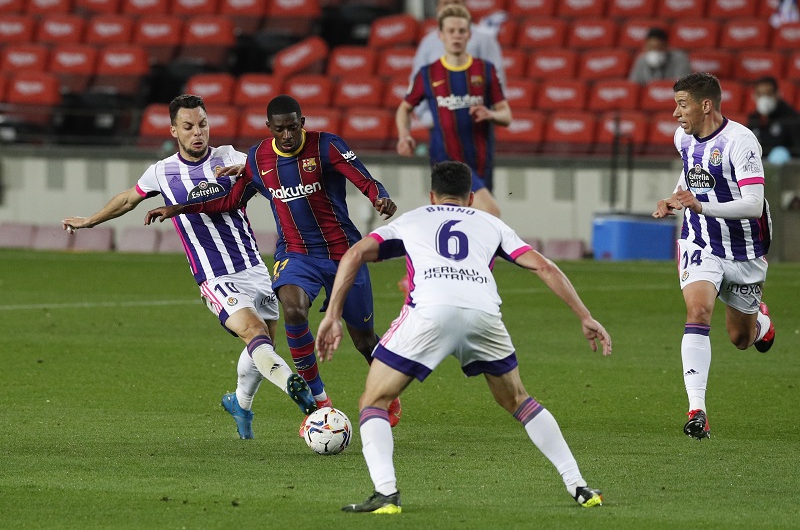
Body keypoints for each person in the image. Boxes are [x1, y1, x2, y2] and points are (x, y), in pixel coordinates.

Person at [316, 161, 612, 514]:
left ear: (431, 195)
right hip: (483, 314)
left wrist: (333, 315)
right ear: (471, 198)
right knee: (518, 400)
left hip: (430, 314)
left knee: (374, 402)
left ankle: (387, 493)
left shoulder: (413, 218)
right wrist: (585, 316)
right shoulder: (491, 223)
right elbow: (544, 266)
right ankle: (579, 485)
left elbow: (354, 254)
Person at [144, 94, 402, 434]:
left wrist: (378, 196)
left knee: (364, 339)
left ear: (302, 123)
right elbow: (230, 199)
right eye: (280, 130)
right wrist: (176, 208)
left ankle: (390, 395)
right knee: (293, 310)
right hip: (295, 254)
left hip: (344, 253)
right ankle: (319, 401)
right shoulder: (260, 157)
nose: (288, 136)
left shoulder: (327, 146)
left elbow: (364, 179)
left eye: (293, 128)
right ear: (270, 129)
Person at [62, 94, 316, 440]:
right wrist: (90, 220)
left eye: (202, 124)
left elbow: (269, 168)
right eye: (188, 127)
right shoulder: (162, 172)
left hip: (254, 267)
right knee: (255, 334)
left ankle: (240, 403)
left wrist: (253, 170)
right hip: (215, 276)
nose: (198, 132)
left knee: (263, 348)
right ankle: (299, 393)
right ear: (173, 131)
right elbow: (127, 199)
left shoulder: (230, 156)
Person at [652, 72, 776, 441]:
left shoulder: (741, 142)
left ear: (706, 105)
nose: (675, 113)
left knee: (741, 338)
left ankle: (762, 325)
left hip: (745, 250)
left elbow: (754, 205)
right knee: (698, 312)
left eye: (682, 104)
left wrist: (701, 205)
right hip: (700, 241)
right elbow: (690, 174)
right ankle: (696, 411)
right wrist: (675, 197)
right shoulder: (683, 137)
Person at [397, 3, 511, 219]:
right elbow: (404, 108)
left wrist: (491, 114)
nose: (456, 36)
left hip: (480, 160)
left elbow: (506, 115)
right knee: (490, 214)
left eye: (461, 31)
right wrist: (404, 135)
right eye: (451, 31)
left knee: (466, 221)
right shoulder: (428, 73)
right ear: (440, 35)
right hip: (447, 161)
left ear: (469, 34)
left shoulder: (485, 70)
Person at [410, 0, 506, 129]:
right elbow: (416, 81)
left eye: (456, 2)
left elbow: (497, 79)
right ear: (437, 9)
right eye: (446, 3)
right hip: (437, 123)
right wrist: (426, 117)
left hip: (476, 123)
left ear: (465, 7)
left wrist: (488, 113)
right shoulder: (428, 42)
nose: (451, 7)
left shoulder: (483, 40)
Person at [746, 76, 800, 162]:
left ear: (777, 94)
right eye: (760, 94)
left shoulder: (792, 118)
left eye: (769, 94)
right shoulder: (753, 119)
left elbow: (796, 150)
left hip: (785, 169)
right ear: (754, 96)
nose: (764, 98)